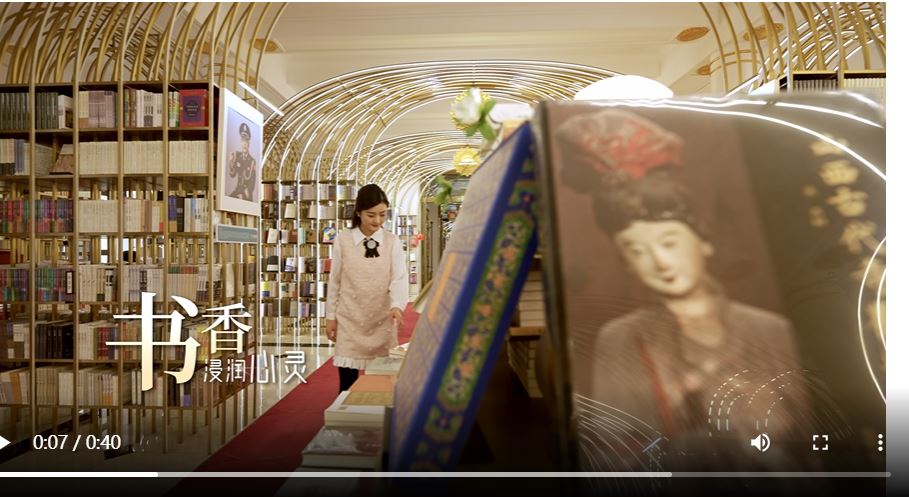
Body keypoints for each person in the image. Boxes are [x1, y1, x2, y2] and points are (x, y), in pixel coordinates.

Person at [556, 109, 808, 471]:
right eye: (636, 250)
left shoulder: (773, 330)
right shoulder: (620, 338)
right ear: (625, 261)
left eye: (670, 242)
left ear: (703, 241)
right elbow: (615, 453)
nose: (660, 261)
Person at [325, 184, 408, 392]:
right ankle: (344, 412)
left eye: (383, 214)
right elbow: (335, 281)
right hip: (349, 318)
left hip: (382, 317)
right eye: (371, 215)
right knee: (346, 384)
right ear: (358, 212)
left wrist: (397, 305)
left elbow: (399, 278)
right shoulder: (343, 240)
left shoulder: (392, 241)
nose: (377, 221)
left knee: (382, 382)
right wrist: (330, 317)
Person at [228, 122, 256, 200]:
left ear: (248, 143)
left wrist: (243, 195)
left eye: (246, 141)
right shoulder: (237, 156)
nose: (244, 144)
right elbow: (232, 174)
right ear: (241, 142)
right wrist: (231, 162)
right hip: (237, 190)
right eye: (243, 141)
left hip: (246, 194)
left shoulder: (252, 161)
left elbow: (252, 184)